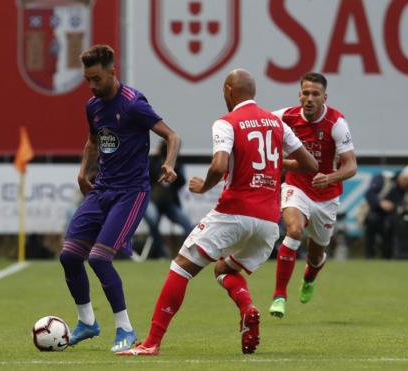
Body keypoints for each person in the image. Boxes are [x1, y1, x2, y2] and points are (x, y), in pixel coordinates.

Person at [117, 69, 317, 356]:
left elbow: (220, 165)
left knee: (181, 267)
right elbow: (309, 165)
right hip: (268, 223)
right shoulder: (276, 123)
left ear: (228, 90)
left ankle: (151, 342)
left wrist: (204, 186)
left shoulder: (226, 122)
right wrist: (273, 164)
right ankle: (247, 308)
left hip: (235, 212)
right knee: (224, 269)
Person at [59, 44, 181, 353]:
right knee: (70, 256)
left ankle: (125, 328)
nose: (92, 86)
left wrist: (169, 163)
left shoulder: (133, 104)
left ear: (113, 72)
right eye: (88, 79)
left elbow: (172, 136)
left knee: (99, 258)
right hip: (102, 190)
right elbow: (92, 141)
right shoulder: (93, 106)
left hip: (131, 193)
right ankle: (87, 322)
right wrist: (82, 171)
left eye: (97, 78)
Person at [269, 72, 357, 319]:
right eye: (305, 93)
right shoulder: (284, 117)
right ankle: (279, 296)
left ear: (324, 97)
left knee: (317, 255)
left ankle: (309, 278)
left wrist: (329, 177)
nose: (309, 98)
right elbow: (257, 126)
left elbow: (351, 166)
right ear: (299, 94)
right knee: (294, 231)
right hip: (296, 187)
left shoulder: (336, 123)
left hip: (326, 195)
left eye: (315, 94)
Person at [144, 141, 193, 258]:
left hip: (169, 202)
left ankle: (188, 254)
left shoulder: (177, 162)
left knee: (187, 223)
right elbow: (146, 178)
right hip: (153, 200)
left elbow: (182, 181)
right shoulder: (153, 160)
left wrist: (173, 168)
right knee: (152, 220)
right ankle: (159, 251)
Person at [363, 164, 408, 259]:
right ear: (404, 177)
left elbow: (406, 208)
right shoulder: (384, 178)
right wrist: (380, 203)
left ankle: (388, 256)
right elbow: (369, 194)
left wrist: (396, 208)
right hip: (374, 213)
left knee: (393, 226)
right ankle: (370, 256)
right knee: (372, 221)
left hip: (392, 218)